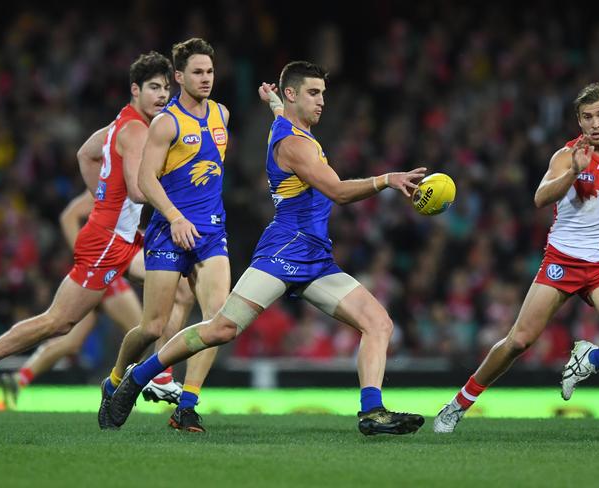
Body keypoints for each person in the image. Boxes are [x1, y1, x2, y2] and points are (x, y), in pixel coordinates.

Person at [108, 61, 427, 436]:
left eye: (323, 93)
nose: (322, 101)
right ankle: (138, 376)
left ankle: (372, 412)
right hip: (284, 252)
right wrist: (387, 179)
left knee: (378, 323)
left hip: (315, 259)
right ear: (293, 94)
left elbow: (280, 113)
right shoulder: (293, 144)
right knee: (222, 329)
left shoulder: (286, 123)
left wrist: (273, 101)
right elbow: (338, 192)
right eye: (313, 93)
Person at [0, 51, 196, 426]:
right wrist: (172, 196)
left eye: (166, 88)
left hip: (123, 238)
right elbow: (135, 190)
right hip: (105, 243)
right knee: (58, 324)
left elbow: (86, 154)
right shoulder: (137, 131)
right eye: (153, 88)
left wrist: (101, 197)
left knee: (179, 288)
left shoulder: (123, 123)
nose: (162, 95)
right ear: (136, 90)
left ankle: (161, 377)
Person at [433, 82, 599, 437]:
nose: (595, 123)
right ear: (579, 120)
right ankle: (457, 405)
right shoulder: (567, 155)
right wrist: (574, 171)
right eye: (587, 117)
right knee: (518, 341)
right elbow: (541, 198)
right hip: (563, 261)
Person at [98, 38, 232, 433]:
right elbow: (145, 180)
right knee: (153, 327)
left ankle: (186, 406)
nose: (205, 78)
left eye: (209, 71)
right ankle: (118, 379)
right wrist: (174, 217)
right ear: (179, 76)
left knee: (218, 321)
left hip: (210, 232)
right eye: (197, 72)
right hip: (169, 232)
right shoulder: (166, 123)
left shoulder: (222, 114)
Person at [0, 191, 180, 409]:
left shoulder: (117, 181)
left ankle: (20, 379)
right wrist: (88, 258)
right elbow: (69, 215)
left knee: (68, 339)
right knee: (143, 330)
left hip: (102, 267)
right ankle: (137, 391)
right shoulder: (113, 182)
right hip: (106, 271)